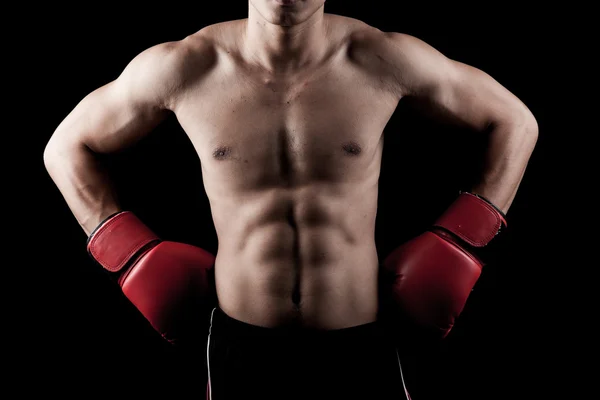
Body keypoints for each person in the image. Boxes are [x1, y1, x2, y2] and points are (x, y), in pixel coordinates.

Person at [43, 1, 538, 399]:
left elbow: (515, 121)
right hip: (242, 346)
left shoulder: (381, 58)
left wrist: (462, 239)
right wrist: (129, 253)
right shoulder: (185, 67)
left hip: (359, 342)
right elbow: (64, 149)